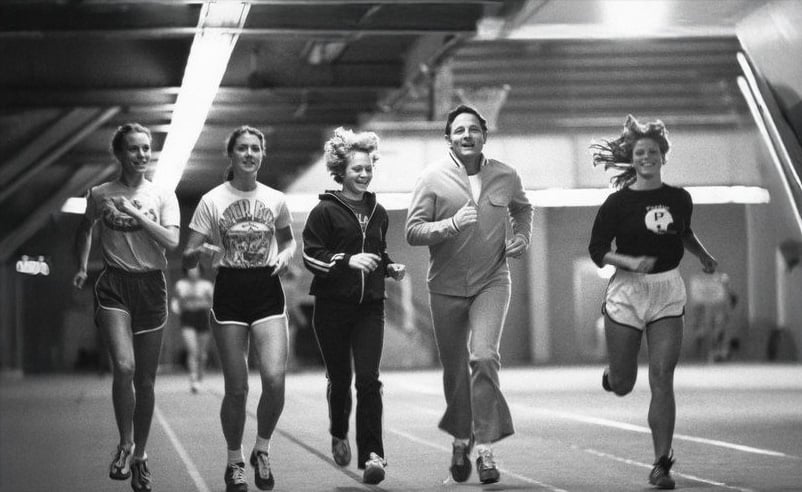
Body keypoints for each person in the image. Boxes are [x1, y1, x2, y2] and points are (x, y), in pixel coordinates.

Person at [588, 115, 718, 490]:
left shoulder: (680, 198)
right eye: (639, 152)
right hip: (627, 291)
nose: (646, 157)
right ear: (632, 158)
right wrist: (627, 262)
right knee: (626, 383)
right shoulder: (617, 203)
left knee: (662, 376)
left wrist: (704, 256)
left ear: (663, 156)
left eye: (653, 151)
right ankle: (614, 376)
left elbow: (684, 232)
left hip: (666, 291)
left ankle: (662, 463)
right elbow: (597, 250)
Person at [405, 105, 533, 484]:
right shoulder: (431, 178)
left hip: (492, 281)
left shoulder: (506, 175)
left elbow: (524, 209)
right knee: (455, 369)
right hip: (445, 287)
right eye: (459, 130)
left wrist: (523, 237)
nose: (466, 135)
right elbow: (413, 231)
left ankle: (486, 450)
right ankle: (462, 438)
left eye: (473, 129)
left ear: (483, 136)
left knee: (484, 357)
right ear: (449, 138)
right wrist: (451, 224)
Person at [183, 126, 295, 492]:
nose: (249, 154)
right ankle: (234, 461)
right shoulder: (212, 200)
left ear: (263, 154)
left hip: (266, 288)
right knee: (237, 389)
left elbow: (288, 241)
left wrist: (285, 255)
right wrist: (201, 253)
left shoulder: (276, 198)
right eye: (242, 148)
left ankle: (262, 449)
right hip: (229, 289)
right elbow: (186, 257)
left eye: (255, 148)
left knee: (275, 380)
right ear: (230, 155)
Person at [72, 123, 180, 492]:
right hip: (115, 284)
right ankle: (125, 444)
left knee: (146, 381)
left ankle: (141, 457)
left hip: (151, 287)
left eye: (147, 147)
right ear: (119, 154)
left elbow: (171, 240)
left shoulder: (162, 194)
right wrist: (82, 265)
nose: (142, 154)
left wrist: (135, 215)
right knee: (124, 365)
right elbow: (85, 228)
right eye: (133, 148)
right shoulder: (100, 193)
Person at [302, 127, 406, 485]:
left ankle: (373, 454)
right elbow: (310, 257)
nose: (363, 174)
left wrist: (389, 266)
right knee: (341, 379)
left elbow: (378, 250)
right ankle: (337, 431)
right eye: (356, 169)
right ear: (341, 171)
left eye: (367, 168)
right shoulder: (324, 211)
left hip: (370, 308)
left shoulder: (379, 211)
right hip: (331, 307)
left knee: (368, 379)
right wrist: (347, 261)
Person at [171, 265, 214, 393]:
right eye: (191, 270)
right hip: (187, 319)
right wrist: (181, 308)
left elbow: (212, 303)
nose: (193, 273)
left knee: (202, 354)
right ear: (186, 271)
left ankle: (200, 377)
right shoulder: (180, 285)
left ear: (200, 271)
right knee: (192, 350)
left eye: (195, 270)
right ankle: (193, 379)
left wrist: (200, 303)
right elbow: (175, 303)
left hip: (202, 318)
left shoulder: (206, 285)